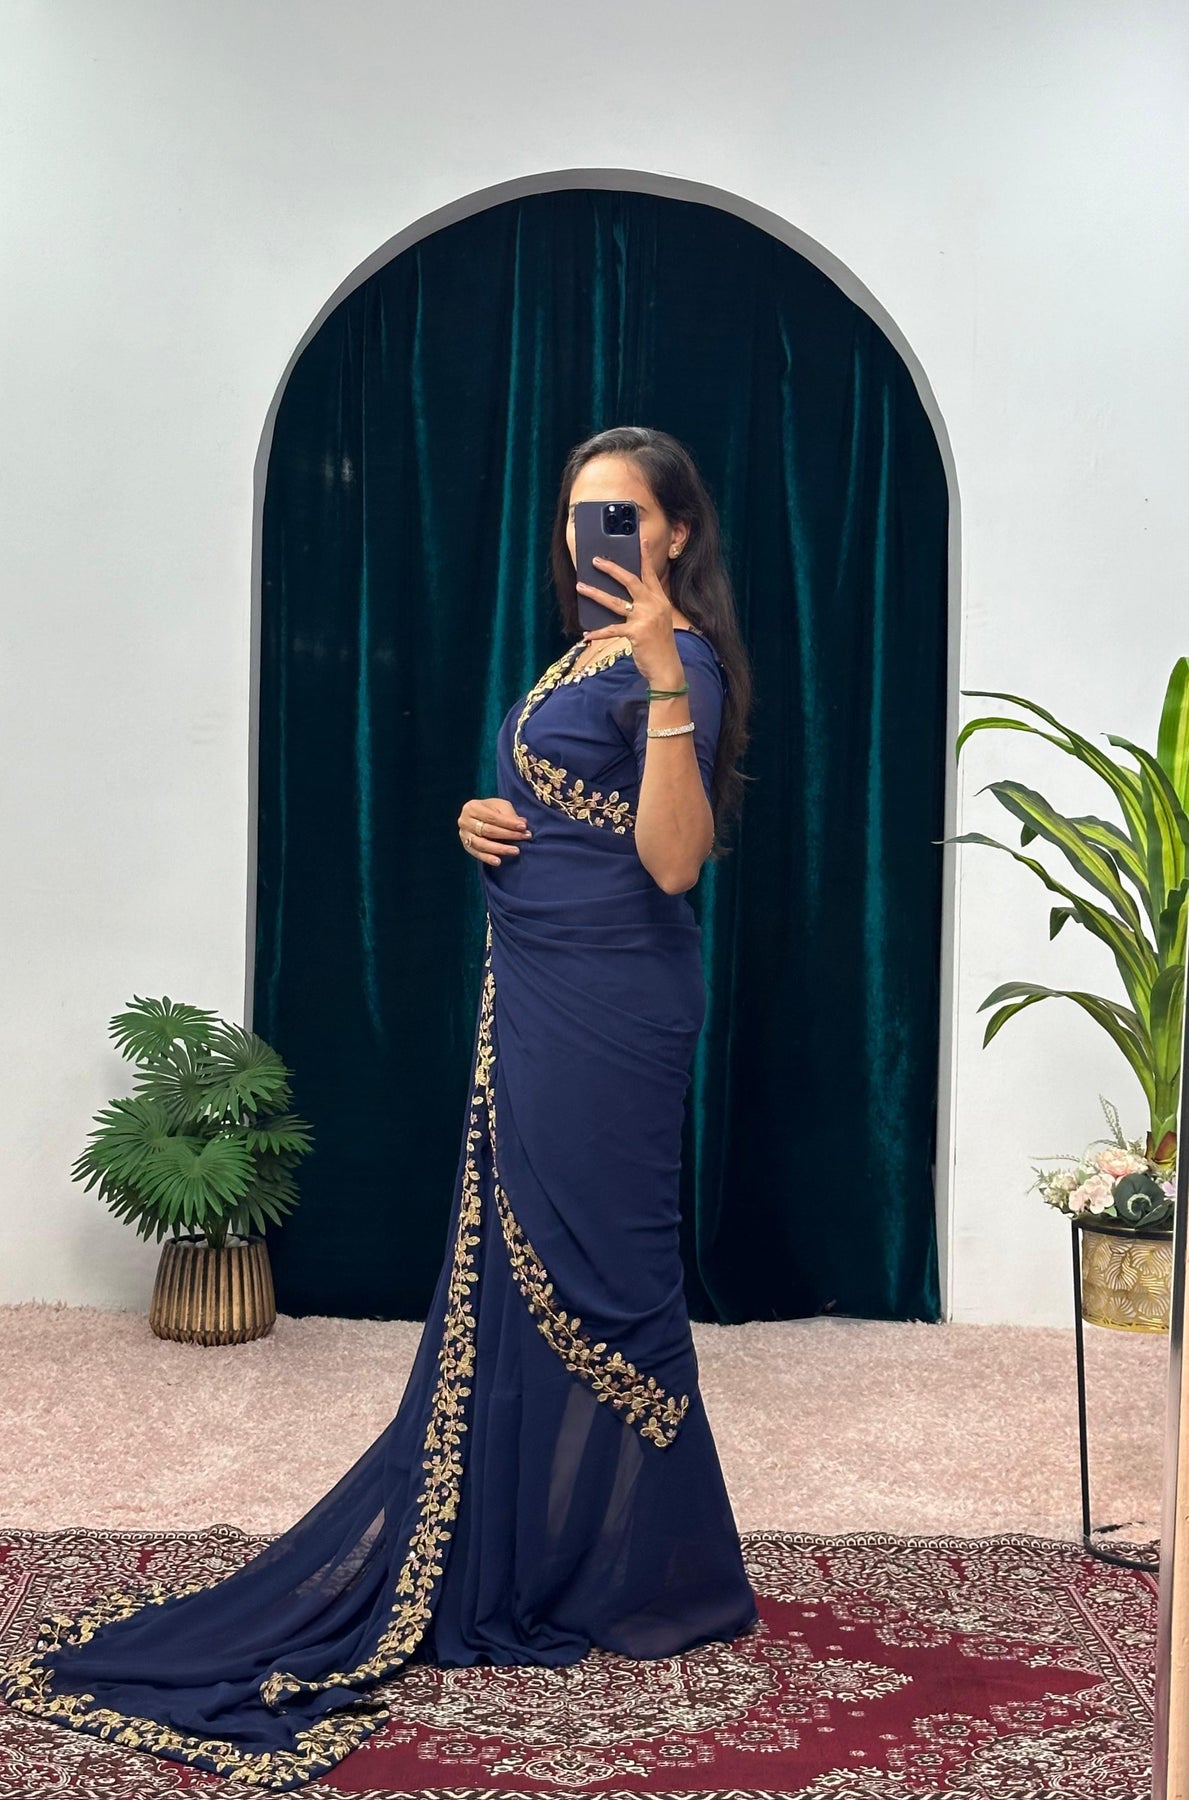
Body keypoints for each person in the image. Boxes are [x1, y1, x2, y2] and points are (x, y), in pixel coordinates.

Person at [0, 426, 759, 1791]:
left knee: (606, 1266)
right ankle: (559, 1548)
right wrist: (485, 818)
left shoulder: (677, 661)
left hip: (614, 1002)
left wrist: (658, 673)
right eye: (577, 516)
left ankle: (657, 1568)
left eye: (621, 517)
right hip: (539, 984)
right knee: (529, 1260)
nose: (592, 539)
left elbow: (671, 859)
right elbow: (570, 809)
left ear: (677, 534)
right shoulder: (578, 655)